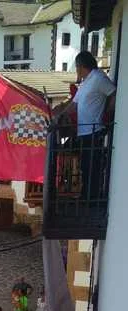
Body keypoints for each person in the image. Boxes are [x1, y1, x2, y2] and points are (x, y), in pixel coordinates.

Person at [56, 51, 116, 201]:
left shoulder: (98, 78)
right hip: (83, 131)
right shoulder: (86, 82)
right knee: (85, 166)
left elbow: (114, 93)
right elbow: (74, 104)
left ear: (82, 66)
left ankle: (91, 198)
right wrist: (60, 115)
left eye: (76, 67)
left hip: (94, 130)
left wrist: (107, 113)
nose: (76, 71)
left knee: (92, 166)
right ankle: (85, 196)